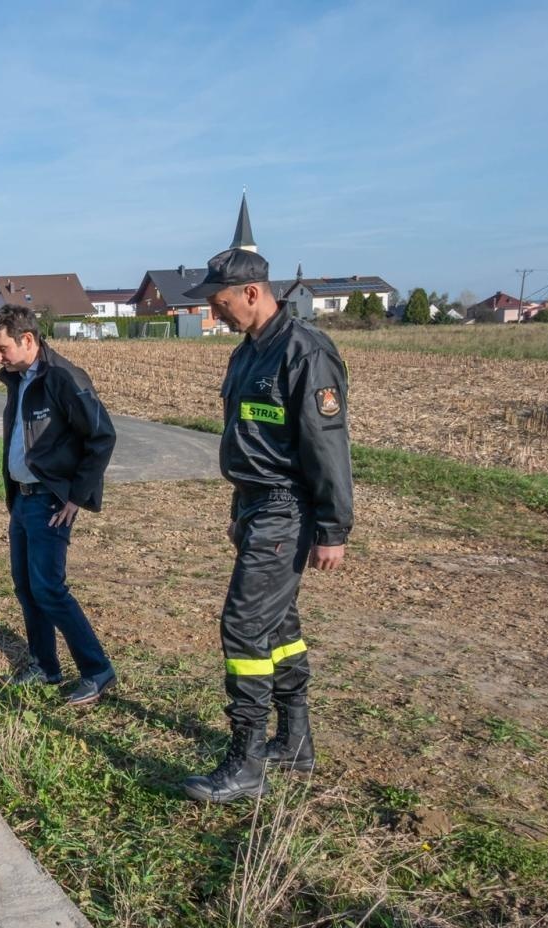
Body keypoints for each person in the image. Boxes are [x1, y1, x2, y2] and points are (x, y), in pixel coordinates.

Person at [179, 246, 354, 804]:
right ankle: (295, 742)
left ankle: (246, 762)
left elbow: (327, 445)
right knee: (276, 627)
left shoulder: (306, 353)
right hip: (255, 506)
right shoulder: (245, 354)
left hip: (287, 507)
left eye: (220, 302)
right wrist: (239, 510)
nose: (215, 313)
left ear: (252, 293)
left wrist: (333, 528)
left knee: (243, 627)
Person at [0, 305, 117, 706]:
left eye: (2, 348)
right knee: (27, 588)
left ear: (28, 340)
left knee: (49, 589)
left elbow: (101, 437)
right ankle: (46, 665)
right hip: (23, 501)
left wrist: (76, 496)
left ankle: (97, 670)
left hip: (50, 501)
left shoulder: (63, 378)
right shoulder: (19, 379)